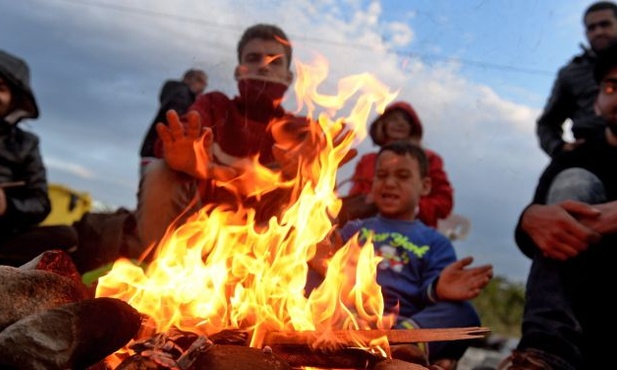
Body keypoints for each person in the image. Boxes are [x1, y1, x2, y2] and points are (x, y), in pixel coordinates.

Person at [132, 24, 330, 257]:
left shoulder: (301, 129)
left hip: (265, 250)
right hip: (197, 237)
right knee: (161, 171)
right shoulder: (215, 105)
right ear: (239, 71)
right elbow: (181, 138)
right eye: (254, 58)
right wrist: (183, 157)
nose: (264, 67)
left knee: (312, 191)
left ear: (288, 77)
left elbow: (317, 203)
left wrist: (315, 171)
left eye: (275, 61)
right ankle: (157, 270)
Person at [307, 141, 492, 370]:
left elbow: (430, 294)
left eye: (403, 176)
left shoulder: (435, 242)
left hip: (403, 324)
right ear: (373, 183)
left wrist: (438, 290)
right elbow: (330, 269)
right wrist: (322, 259)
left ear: (424, 186)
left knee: (462, 313)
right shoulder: (355, 228)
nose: (390, 183)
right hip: (349, 316)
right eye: (382, 175)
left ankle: (402, 347)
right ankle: (329, 336)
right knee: (304, 275)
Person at [501, 41, 617, 369]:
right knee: (572, 183)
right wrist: (530, 218)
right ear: (596, 101)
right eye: (611, 86)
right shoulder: (575, 155)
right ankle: (544, 353)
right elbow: (531, 231)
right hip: (586, 324)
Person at [0, 50, 78, 266]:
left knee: (66, 236)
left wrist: (7, 206)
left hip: (5, 236)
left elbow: (40, 204)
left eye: (1, 88)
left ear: (14, 100)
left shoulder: (26, 144)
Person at [341, 101, 453, 228]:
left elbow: (444, 203)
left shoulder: (429, 159)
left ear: (413, 128)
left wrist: (407, 206)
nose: (400, 123)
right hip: (367, 233)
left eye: (407, 121)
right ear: (383, 125)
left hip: (413, 237)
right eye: (394, 119)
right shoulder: (367, 160)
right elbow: (356, 196)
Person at [536, 1, 617, 158]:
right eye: (591, 28)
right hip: (589, 155)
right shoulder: (572, 73)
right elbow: (547, 123)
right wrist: (559, 148)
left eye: (605, 24)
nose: (598, 32)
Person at [139, 68, 208, 175]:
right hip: (160, 154)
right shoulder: (183, 95)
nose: (203, 87)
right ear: (187, 79)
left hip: (152, 152)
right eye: (200, 81)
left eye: (205, 84)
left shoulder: (176, 93)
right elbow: (177, 121)